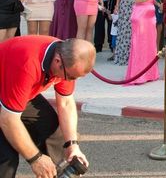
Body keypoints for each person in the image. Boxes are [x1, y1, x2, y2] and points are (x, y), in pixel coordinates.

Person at [0, 36, 95, 178]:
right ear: (57, 62)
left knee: (56, 134)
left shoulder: (67, 58)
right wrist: (36, 159)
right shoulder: (28, 63)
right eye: (72, 77)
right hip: (9, 89)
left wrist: (72, 144)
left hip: (14, 91)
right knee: (6, 158)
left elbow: (66, 102)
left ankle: (61, 174)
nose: (71, 81)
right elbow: (8, 120)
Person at [125, 0, 160, 85]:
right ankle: (138, 74)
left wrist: (158, 3)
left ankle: (150, 73)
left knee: (150, 44)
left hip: (151, 15)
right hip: (140, 15)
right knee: (140, 44)